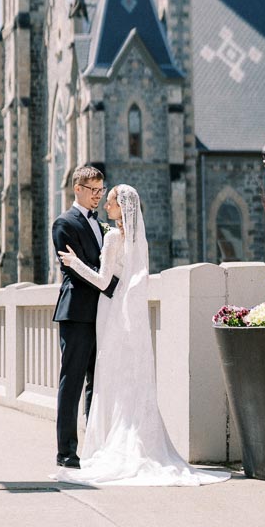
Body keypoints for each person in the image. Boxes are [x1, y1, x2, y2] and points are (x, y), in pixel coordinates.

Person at [56, 183, 230, 486]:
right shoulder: (137, 238)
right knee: (128, 380)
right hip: (129, 315)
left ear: (119, 207)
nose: (105, 205)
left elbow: (101, 279)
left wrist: (75, 263)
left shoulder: (111, 236)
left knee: (108, 380)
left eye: (108, 201)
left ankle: (107, 444)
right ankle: (133, 441)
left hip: (111, 313)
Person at [51, 165, 118, 469]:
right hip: (76, 313)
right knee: (72, 382)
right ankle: (66, 453)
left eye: (101, 191)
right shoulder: (63, 223)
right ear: (77, 189)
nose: (98, 197)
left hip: (102, 315)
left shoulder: (102, 226)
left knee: (98, 383)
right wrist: (114, 285)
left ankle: (92, 447)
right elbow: (75, 271)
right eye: (93, 191)